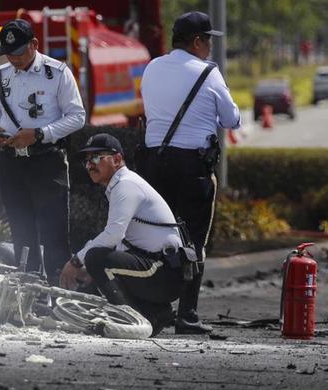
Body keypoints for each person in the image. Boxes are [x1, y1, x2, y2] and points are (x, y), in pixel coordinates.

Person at [138, 11, 241, 334]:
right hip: (192, 166)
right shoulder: (208, 73)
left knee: (157, 237)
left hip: (153, 164)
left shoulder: (152, 67)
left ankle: (154, 310)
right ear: (196, 42)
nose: (210, 47)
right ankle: (187, 314)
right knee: (193, 240)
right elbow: (232, 119)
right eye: (208, 40)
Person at [0, 19, 86, 283]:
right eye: (8, 53)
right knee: (22, 231)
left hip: (47, 162)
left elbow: (77, 117)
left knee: (54, 234)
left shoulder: (57, 73)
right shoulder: (0, 75)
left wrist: (39, 134)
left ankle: (60, 297)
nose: (13, 59)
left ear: (34, 45)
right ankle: (28, 294)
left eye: (18, 52)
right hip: (11, 163)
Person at [59, 133, 193, 337]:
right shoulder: (120, 184)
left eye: (96, 158)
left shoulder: (125, 185)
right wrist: (92, 272)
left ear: (117, 159)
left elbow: (112, 236)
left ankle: (132, 323)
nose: (89, 165)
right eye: (87, 160)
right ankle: (155, 314)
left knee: (95, 257)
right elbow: (121, 242)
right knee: (96, 266)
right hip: (159, 269)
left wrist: (77, 261)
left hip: (164, 271)